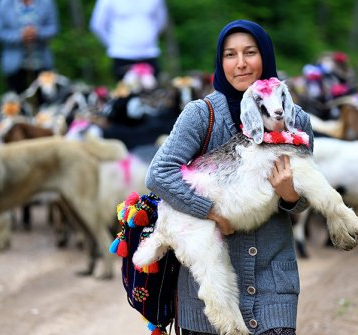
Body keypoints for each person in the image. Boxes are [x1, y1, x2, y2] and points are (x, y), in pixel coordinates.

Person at [146, 20, 312, 335]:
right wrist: (211, 212)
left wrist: (290, 194)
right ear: (220, 63)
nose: (240, 63)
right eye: (230, 55)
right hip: (208, 291)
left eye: (250, 53)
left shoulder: (295, 118)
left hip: (272, 283)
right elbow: (158, 173)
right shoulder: (202, 114)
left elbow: (304, 199)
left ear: (265, 56)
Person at [0, 0, 59, 94]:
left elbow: (54, 28)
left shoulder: (46, 2)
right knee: (16, 99)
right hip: (14, 64)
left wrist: (37, 33)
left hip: (42, 62)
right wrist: (19, 36)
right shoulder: (4, 3)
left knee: (46, 99)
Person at [89, 0, 168, 81]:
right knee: (124, 91)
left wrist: (149, 38)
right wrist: (113, 45)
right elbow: (97, 26)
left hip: (149, 53)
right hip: (122, 55)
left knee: (153, 90)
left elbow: (161, 21)